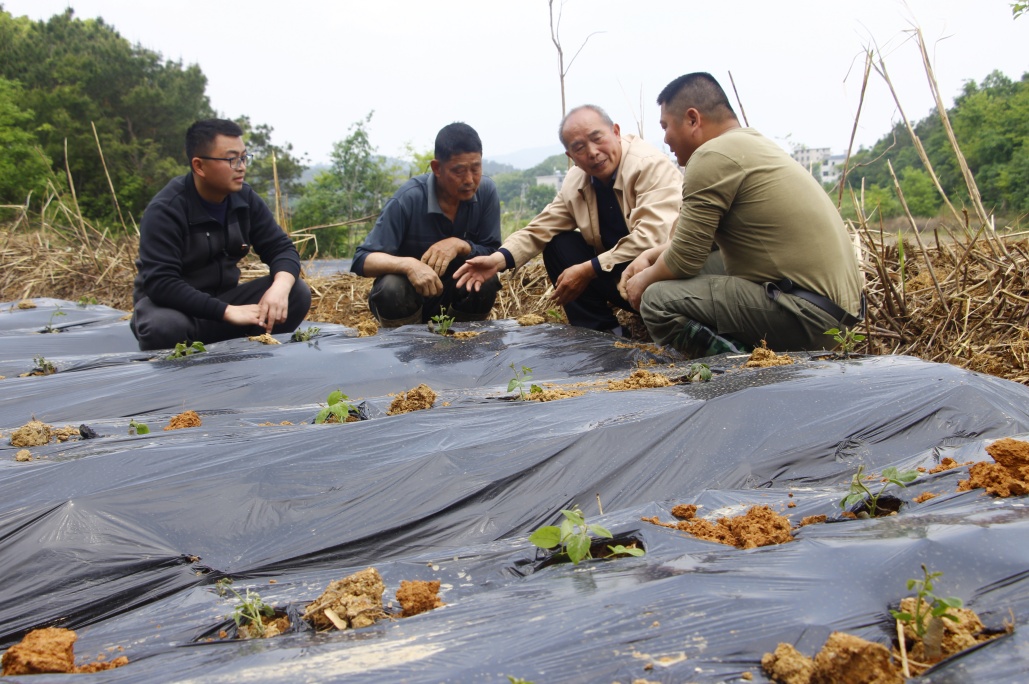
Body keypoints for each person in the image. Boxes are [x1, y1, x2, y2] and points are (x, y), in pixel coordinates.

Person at [620, 72, 864, 357]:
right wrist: (650, 257)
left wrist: (643, 280)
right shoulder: (748, 144)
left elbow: (683, 260)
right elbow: (699, 246)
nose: (665, 138)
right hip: (834, 313)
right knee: (683, 272)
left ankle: (746, 368)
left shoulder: (711, 156)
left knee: (656, 299)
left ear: (692, 119)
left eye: (665, 126)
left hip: (807, 316)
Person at [454, 105, 683, 334]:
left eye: (597, 138)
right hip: (620, 278)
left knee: (592, 266)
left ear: (616, 132)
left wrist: (587, 269)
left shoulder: (648, 165)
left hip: (663, 278)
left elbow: (652, 238)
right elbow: (541, 228)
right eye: (579, 148)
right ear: (571, 157)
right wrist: (497, 260)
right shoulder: (577, 181)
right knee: (559, 246)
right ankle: (604, 334)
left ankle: (667, 326)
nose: (593, 152)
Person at [131, 118, 311, 351]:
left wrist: (280, 288)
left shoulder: (244, 199)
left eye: (244, 157)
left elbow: (280, 248)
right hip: (176, 310)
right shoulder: (166, 210)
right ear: (199, 166)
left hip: (224, 303)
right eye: (232, 159)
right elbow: (161, 284)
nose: (242, 167)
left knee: (296, 292)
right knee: (162, 327)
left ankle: (254, 354)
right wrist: (227, 312)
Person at [351, 122, 501, 326]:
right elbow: (363, 259)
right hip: (410, 296)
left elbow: (493, 253)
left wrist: (461, 245)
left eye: (476, 169)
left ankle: (462, 339)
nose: (469, 180)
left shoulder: (486, 192)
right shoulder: (408, 198)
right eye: (458, 171)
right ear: (437, 168)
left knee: (486, 280)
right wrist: (409, 265)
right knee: (391, 287)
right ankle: (407, 342)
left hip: (454, 294)